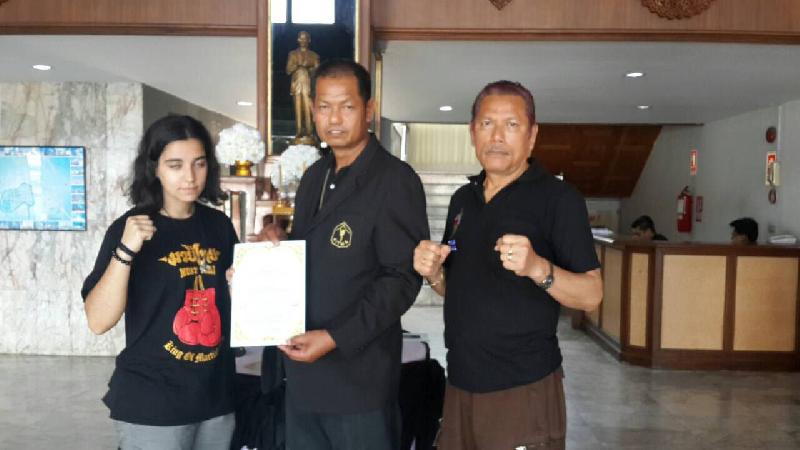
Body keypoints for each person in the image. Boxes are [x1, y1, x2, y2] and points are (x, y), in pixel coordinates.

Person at [413, 80, 603, 450]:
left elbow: (592, 294)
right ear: (472, 132)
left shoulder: (558, 199)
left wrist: (537, 267)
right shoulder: (462, 199)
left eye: (511, 125)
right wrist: (434, 273)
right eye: (487, 124)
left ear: (532, 136)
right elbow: (457, 285)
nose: (497, 136)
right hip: (461, 383)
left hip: (523, 390)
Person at [260, 59, 429, 450]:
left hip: (359, 381)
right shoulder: (314, 177)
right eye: (324, 107)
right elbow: (310, 255)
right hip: (302, 374)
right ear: (313, 110)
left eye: (346, 106)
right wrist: (277, 242)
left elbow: (401, 279)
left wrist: (336, 337)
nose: (334, 118)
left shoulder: (395, 180)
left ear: (369, 110)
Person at [82, 115, 239, 449]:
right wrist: (126, 250)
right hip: (152, 400)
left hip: (214, 396)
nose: (190, 176)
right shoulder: (128, 228)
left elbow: (234, 302)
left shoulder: (219, 226)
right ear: (154, 168)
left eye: (199, 164)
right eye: (175, 165)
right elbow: (98, 321)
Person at [286, 30, 320, 142]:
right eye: (301, 38)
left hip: (309, 86)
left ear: (309, 40)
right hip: (297, 85)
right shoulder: (293, 54)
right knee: (298, 109)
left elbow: (318, 72)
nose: (303, 40)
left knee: (309, 109)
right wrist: (299, 66)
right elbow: (288, 70)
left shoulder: (314, 56)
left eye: (305, 38)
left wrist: (308, 68)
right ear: (298, 39)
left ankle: (310, 132)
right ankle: (299, 132)